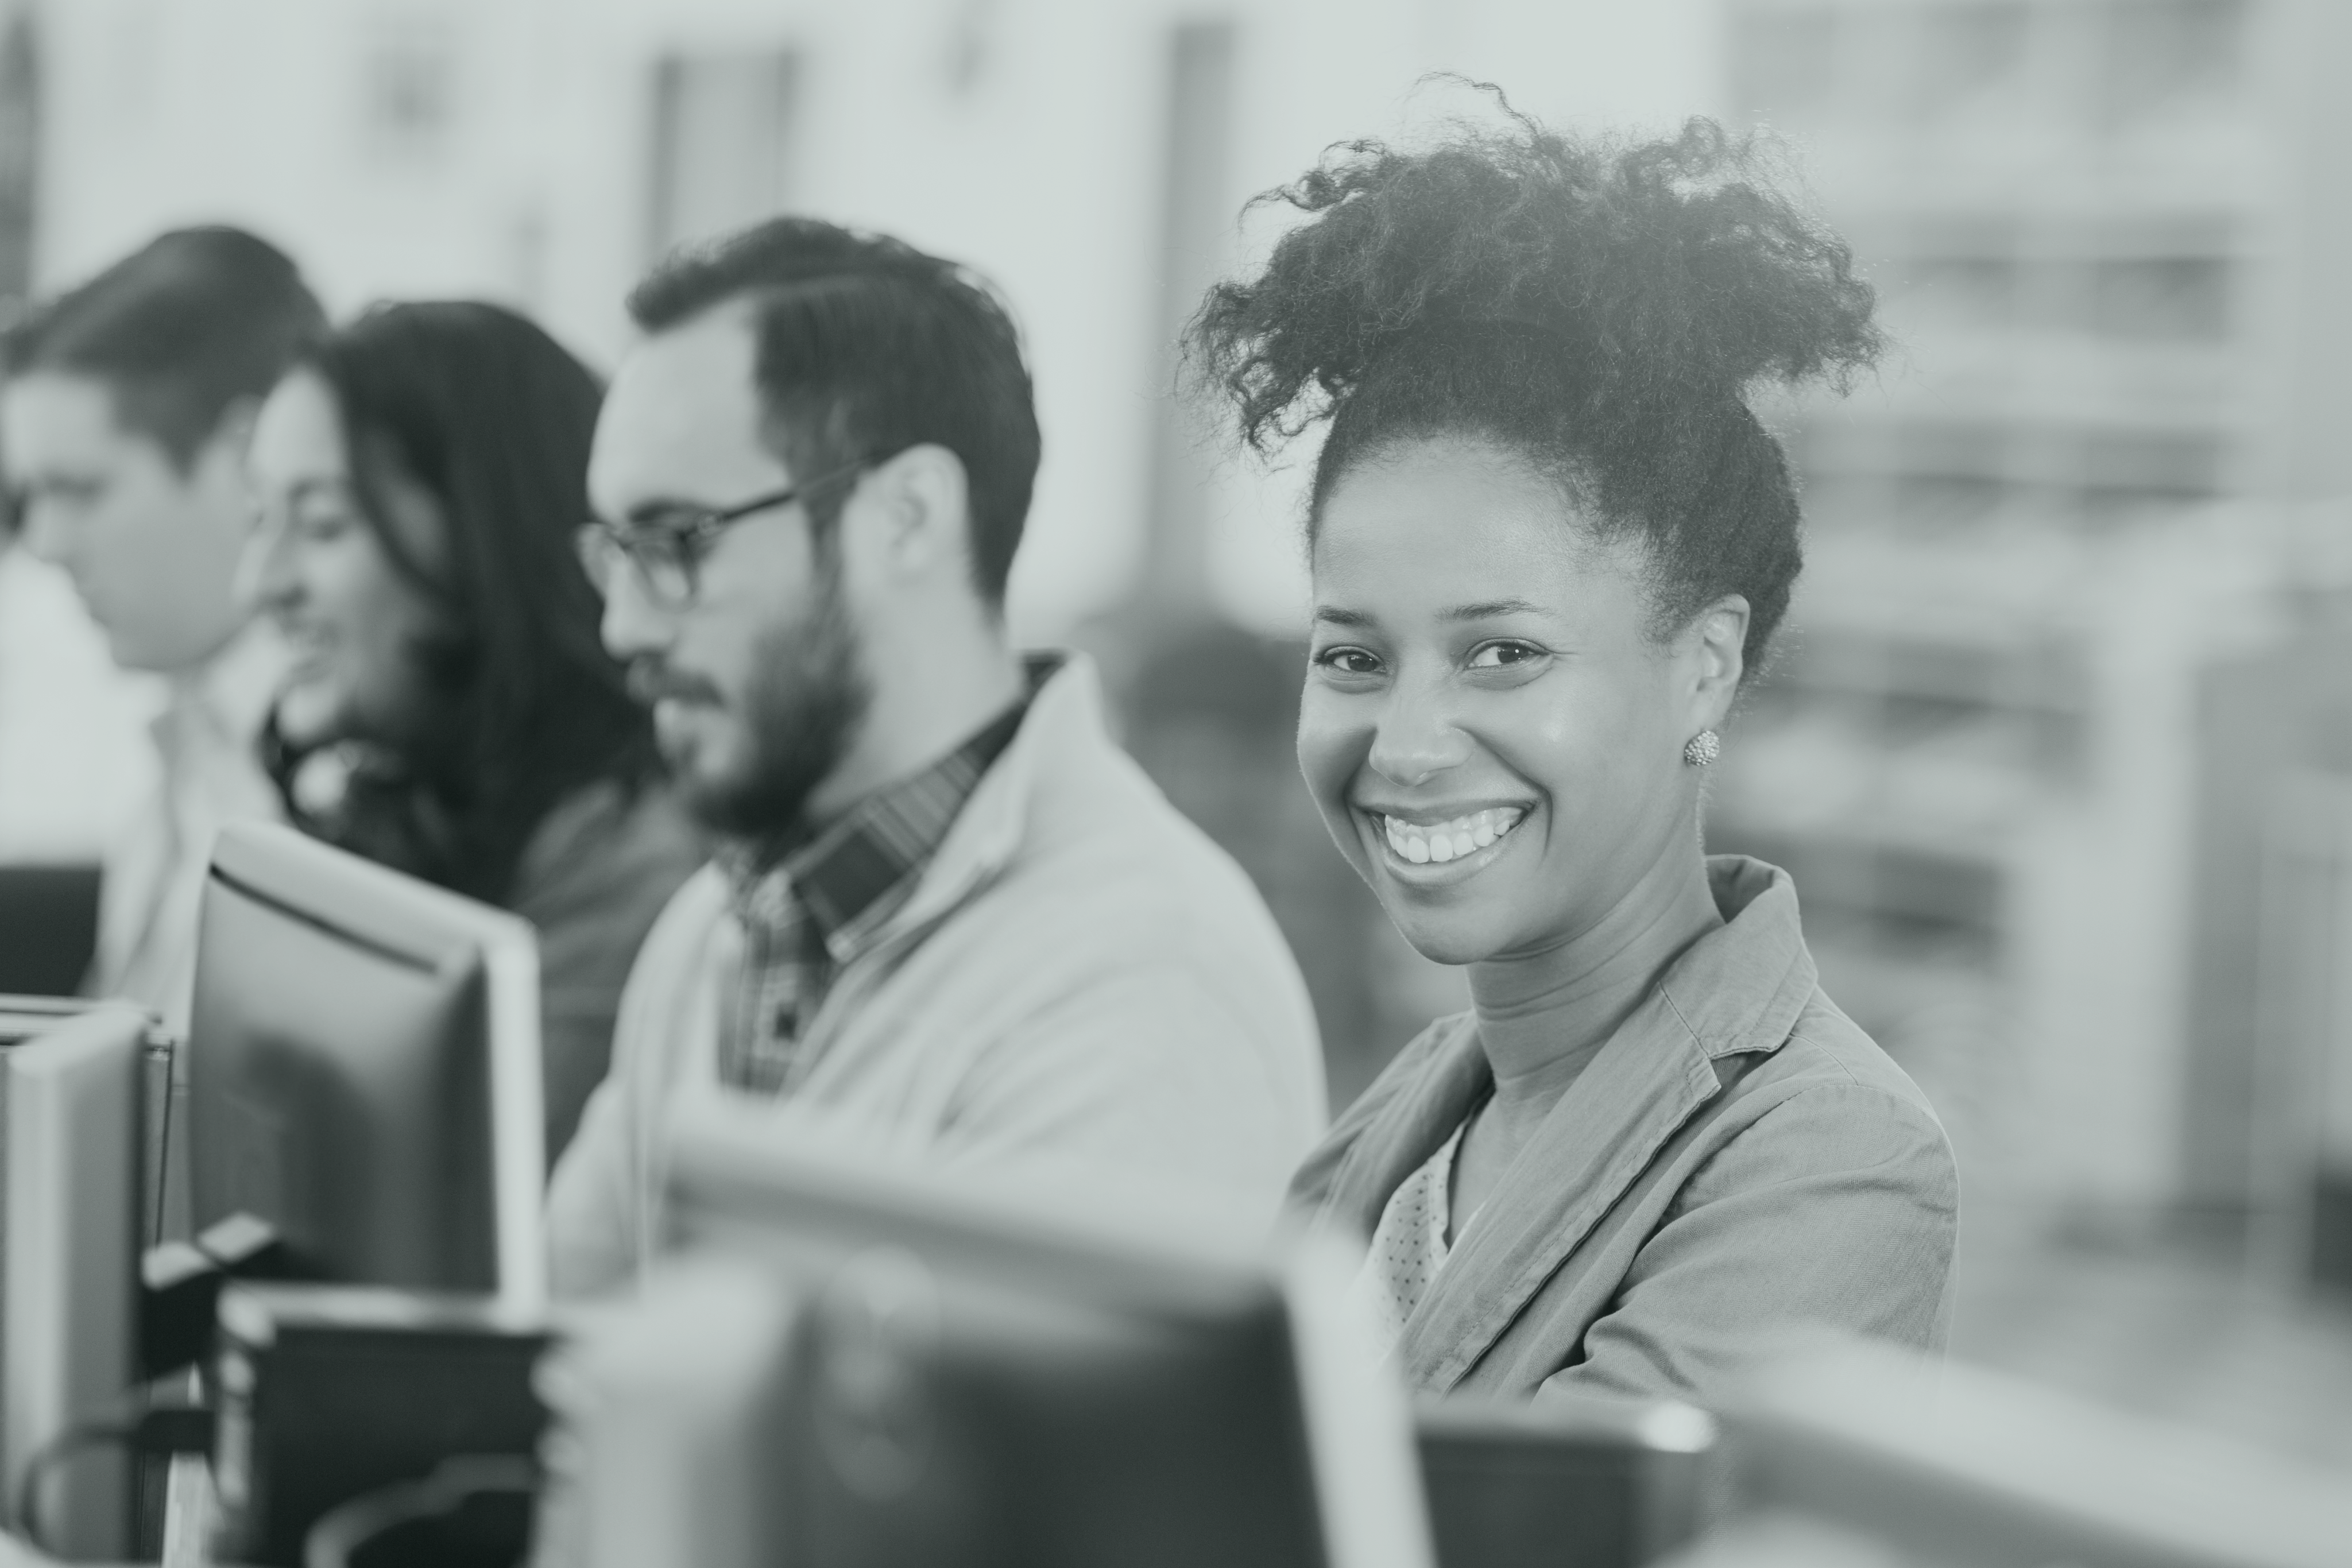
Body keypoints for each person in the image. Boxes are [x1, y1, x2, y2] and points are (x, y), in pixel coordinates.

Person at [1187, 107, 1959, 1403]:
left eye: (1503, 655)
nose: (1409, 745)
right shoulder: (1402, 1121)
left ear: (1702, 666)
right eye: (1354, 658)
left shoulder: (1828, 1157)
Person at [546, 218, 1326, 1297]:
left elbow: (987, 1468)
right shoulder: (719, 930)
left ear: (905, 516)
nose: (622, 628)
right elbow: (551, 1352)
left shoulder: (1144, 989)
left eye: (678, 541)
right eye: (613, 554)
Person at [243, 301, 706, 1162]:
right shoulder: (397, 799)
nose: (259, 584)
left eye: (321, 525)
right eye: (257, 520)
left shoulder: (624, 865)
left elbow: (444, 1229)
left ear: (487, 538)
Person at [1, 227, 321, 1033]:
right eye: (31, 498)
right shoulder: (186, 755)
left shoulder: (327, 796)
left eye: (81, 490)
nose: (45, 542)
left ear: (251, 462)